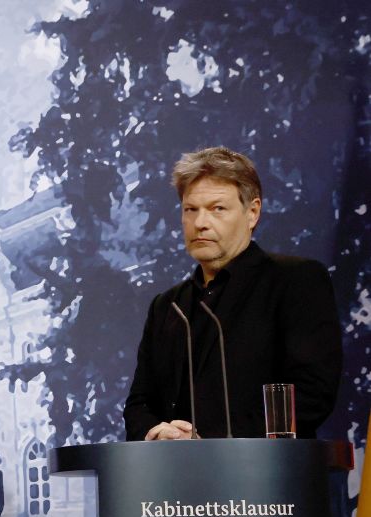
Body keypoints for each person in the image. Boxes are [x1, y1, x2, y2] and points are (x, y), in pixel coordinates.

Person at [124, 146, 341, 441]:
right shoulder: (168, 306)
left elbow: (311, 393)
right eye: (191, 210)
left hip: (265, 478)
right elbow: (140, 403)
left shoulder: (295, 281)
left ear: (252, 213)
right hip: (175, 478)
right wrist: (157, 434)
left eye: (217, 208)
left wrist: (209, 442)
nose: (200, 223)